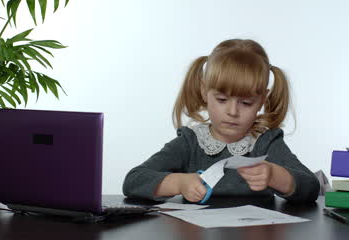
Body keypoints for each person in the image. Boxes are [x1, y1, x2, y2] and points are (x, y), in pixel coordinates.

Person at [123, 39, 320, 203]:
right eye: (222, 100)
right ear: (204, 91)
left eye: (246, 102)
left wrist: (275, 176)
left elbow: (312, 188)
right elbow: (133, 181)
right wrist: (179, 183)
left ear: (262, 100)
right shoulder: (190, 143)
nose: (232, 112)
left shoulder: (265, 143)